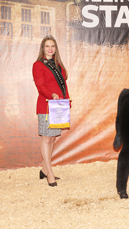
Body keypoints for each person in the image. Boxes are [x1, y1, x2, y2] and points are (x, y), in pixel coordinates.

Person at [32, 36, 70, 187]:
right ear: (43, 48)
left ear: (55, 48)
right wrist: (51, 95)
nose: (50, 48)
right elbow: (40, 87)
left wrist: (66, 101)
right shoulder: (38, 65)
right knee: (47, 138)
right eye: (47, 46)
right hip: (46, 106)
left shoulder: (58, 65)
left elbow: (63, 87)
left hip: (58, 106)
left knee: (53, 138)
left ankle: (44, 170)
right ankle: (50, 172)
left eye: (52, 46)